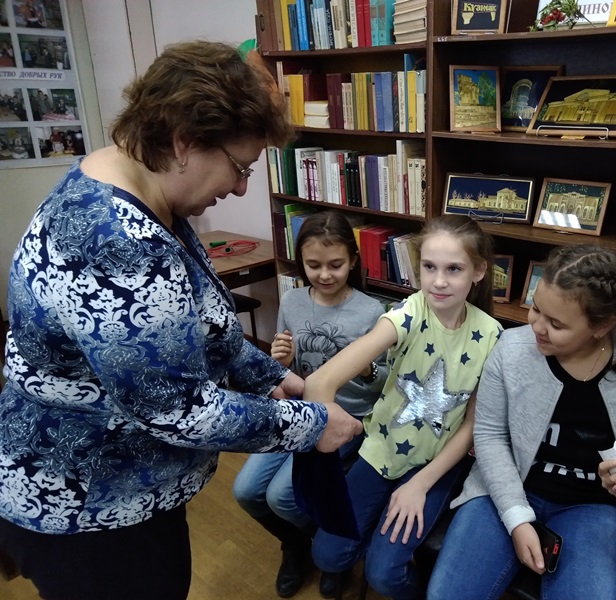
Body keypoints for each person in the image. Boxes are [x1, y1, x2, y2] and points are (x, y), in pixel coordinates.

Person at [0, 41, 361, 600]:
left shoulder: (139, 186)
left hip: (119, 489)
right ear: (185, 141)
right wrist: (310, 424)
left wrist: (271, 377)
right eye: (240, 167)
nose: (240, 187)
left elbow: (199, 329)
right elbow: (178, 409)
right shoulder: (117, 242)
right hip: (90, 506)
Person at [427, 244, 616, 600]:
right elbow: (490, 436)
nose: (537, 326)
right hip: (504, 489)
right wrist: (516, 517)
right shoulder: (510, 349)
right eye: (536, 308)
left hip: (594, 505)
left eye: (556, 324)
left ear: (602, 326)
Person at [305, 214, 503, 600]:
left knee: (384, 575)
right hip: (382, 449)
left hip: (436, 464)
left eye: (454, 269)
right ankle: (373, 532)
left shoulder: (491, 335)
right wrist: (323, 445)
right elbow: (318, 383)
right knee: (327, 555)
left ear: (478, 271)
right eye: (429, 267)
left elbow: (471, 427)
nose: (438, 281)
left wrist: (419, 484)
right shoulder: (409, 312)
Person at [233, 210, 388, 598]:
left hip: (344, 416)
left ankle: (329, 551)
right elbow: (286, 371)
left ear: (353, 261)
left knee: (281, 496)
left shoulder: (372, 311)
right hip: (299, 410)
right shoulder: (292, 300)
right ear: (300, 262)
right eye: (313, 265)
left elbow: (384, 384)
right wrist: (281, 361)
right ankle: (297, 544)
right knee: (246, 491)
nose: (324, 275)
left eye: (335, 265)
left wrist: (367, 368)